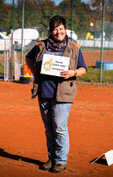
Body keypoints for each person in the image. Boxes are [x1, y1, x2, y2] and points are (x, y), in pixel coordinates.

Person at [25, 15, 87, 173]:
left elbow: (83, 69)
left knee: (59, 127)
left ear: (65, 29)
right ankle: (51, 158)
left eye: (60, 29)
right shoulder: (42, 46)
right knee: (49, 128)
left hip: (63, 93)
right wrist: (35, 74)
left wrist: (73, 72)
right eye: (55, 29)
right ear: (51, 31)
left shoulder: (74, 48)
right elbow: (29, 58)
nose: (58, 32)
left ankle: (60, 160)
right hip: (44, 92)